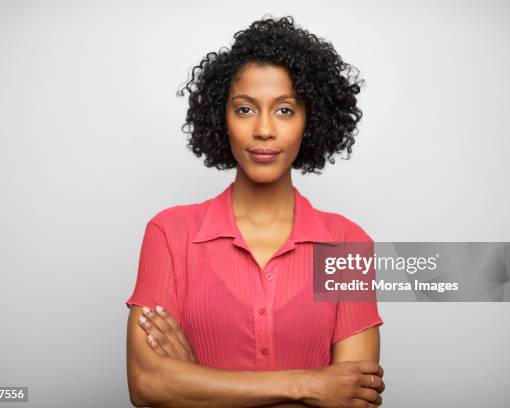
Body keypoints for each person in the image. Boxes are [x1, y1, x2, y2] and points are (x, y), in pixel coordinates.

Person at [125, 15, 385, 407]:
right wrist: (308, 386)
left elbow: (353, 397)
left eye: (284, 110)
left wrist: (197, 384)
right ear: (221, 118)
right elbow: (147, 384)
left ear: (310, 121)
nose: (264, 129)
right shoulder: (169, 233)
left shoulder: (347, 244)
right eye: (245, 110)